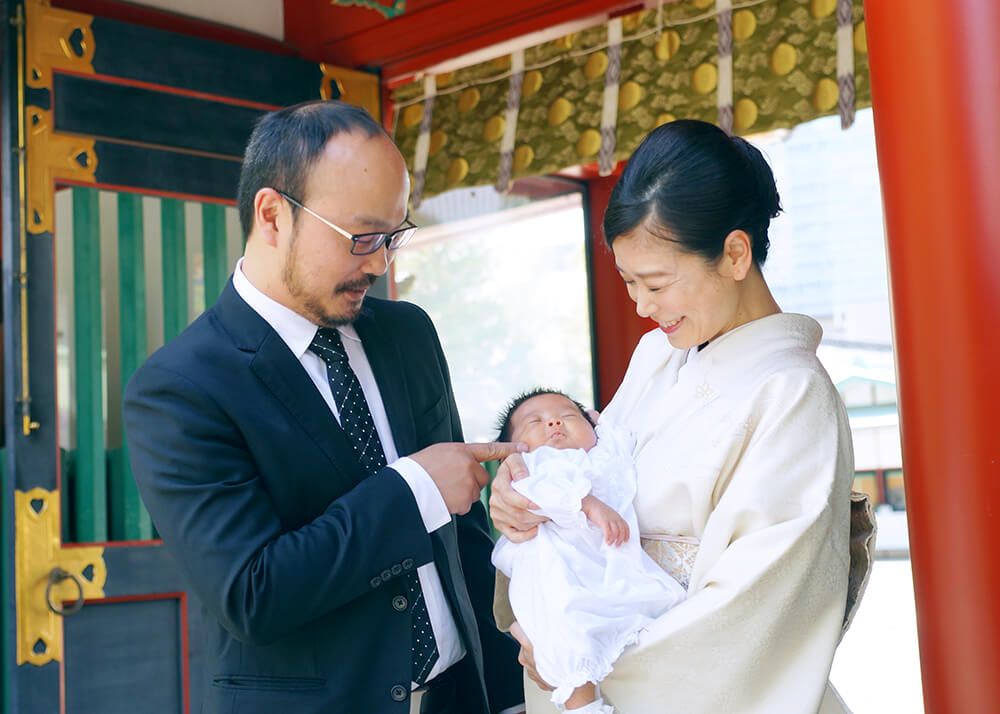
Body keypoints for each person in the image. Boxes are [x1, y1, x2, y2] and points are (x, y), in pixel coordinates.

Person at [124, 100, 524, 714]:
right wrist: (412, 489)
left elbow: (463, 538)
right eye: (360, 237)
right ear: (272, 215)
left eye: (393, 237)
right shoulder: (179, 388)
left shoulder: (407, 333)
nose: (379, 263)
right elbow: (254, 594)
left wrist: (507, 692)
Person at [490, 119, 863, 714]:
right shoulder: (657, 355)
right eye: (629, 282)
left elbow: (752, 614)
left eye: (657, 283)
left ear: (735, 253)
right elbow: (589, 472)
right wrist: (521, 495)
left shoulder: (791, 395)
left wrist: (580, 664)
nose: (641, 306)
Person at [491, 389, 686, 714]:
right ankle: (583, 707)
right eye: (535, 421)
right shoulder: (535, 462)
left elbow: (621, 435)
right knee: (568, 623)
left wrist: (602, 424)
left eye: (568, 415)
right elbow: (534, 492)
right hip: (553, 564)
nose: (554, 421)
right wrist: (587, 504)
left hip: (603, 563)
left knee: (630, 614)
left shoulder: (602, 452)